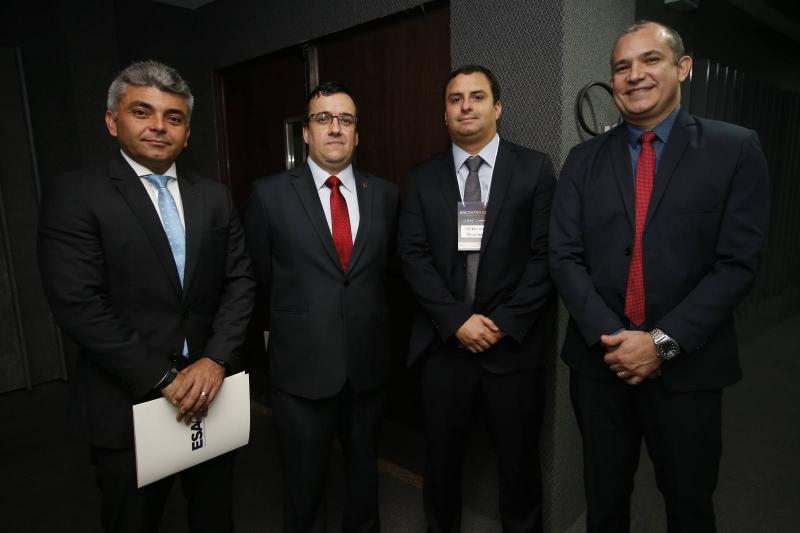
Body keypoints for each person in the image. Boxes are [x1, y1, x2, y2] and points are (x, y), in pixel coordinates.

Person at [550, 21, 770, 533]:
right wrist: (615, 339)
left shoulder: (734, 149)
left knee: (689, 506)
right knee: (604, 503)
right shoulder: (583, 160)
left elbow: (737, 264)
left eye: (650, 60)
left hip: (688, 370)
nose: (635, 75)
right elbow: (563, 255)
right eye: (622, 67)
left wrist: (660, 344)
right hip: (601, 365)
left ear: (682, 68)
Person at [37, 60, 255, 533]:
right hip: (126, 404)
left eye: (173, 117)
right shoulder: (76, 195)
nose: (159, 126)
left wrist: (215, 359)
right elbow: (78, 303)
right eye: (142, 112)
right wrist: (163, 378)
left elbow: (240, 281)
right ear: (112, 120)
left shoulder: (214, 196)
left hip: (212, 392)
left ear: (187, 133)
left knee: (215, 518)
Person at [397, 65, 556, 533]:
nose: (466, 106)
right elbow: (412, 256)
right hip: (444, 349)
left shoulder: (534, 169)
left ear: (497, 107)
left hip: (513, 349)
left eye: (477, 96)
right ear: (444, 114)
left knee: (520, 466)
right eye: (455, 99)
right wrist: (456, 321)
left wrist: (502, 322)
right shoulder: (421, 178)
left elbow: (547, 255)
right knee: (441, 465)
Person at [244, 81, 398, 533]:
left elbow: (388, 275)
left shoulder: (385, 194)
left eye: (345, 120)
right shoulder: (269, 195)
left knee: (364, 485)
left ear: (357, 133)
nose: (335, 128)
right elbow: (258, 280)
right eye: (323, 118)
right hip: (301, 372)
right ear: (306, 132)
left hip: (367, 370)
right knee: (304, 490)